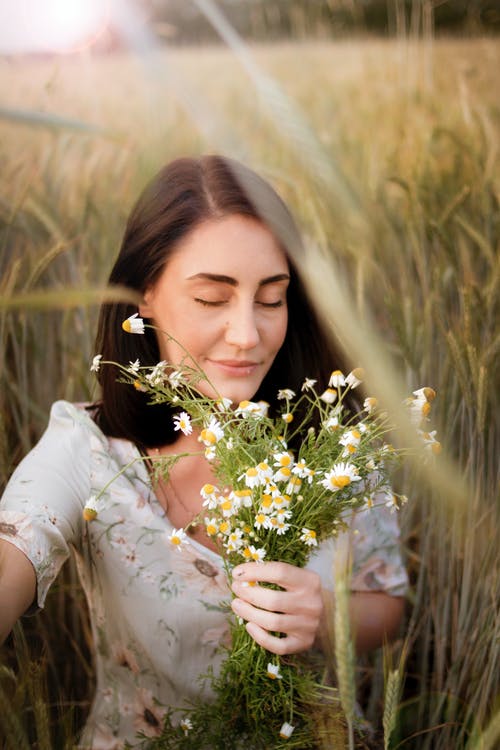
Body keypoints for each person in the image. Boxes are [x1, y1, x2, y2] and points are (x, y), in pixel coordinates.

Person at [0, 155, 407, 748]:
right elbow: (15, 550)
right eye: (213, 299)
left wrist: (323, 619)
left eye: (271, 299)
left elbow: (386, 603)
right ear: (144, 297)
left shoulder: (336, 441)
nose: (248, 334)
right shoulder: (88, 451)